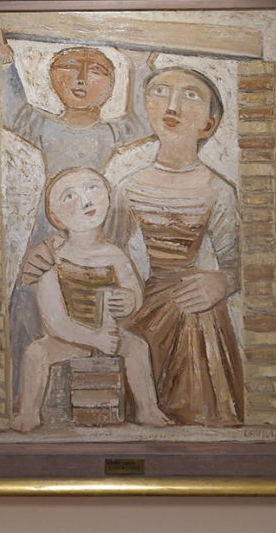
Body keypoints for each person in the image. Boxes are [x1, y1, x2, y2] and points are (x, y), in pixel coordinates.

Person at [0, 22, 152, 399]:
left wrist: (138, 65)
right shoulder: (45, 127)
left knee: (101, 302)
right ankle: (25, 396)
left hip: (94, 223)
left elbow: (140, 122)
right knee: (32, 300)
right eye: (69, 67)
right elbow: (13, 112)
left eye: (97, 70)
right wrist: (5, 62)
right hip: (52, 223)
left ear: (111, 85)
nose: (81, 79)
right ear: (53, 77)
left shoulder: (110, 132)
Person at [106, 66, 245, 427]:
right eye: (160, 92)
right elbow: (107, 256)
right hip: (144, 303)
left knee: (194, 318)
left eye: (190, 96)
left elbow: (238, 264)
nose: (172, 106)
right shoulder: (128, 188)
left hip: (194, 305)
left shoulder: (217, 190)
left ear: (209, 124)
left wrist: (222, 282)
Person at [10, 167, 170, 432]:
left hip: (108, 333)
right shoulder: (53, 258)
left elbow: (134, 294)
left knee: (137, 348)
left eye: (92, 187)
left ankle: (147, 409)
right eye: (69, 196)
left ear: (108, 195)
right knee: (36, 353)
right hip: (67, 339)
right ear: (55, 217)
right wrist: (93, 338)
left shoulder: (115, 254)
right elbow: (54, 321)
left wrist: (129, 301)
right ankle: (29, 413)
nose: (85, 201)